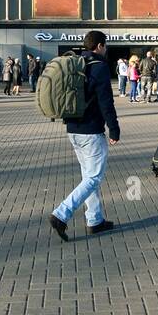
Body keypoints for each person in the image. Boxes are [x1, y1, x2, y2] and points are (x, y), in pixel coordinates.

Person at [48, 30, 120, 241]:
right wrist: (114, 129)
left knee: (89, 177)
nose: (105, 49)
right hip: (91, 131)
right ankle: (61, 214)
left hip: (73, 128)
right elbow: (106, 102)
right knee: (93, 177)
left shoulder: (75, 63)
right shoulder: (99, 67)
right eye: (105, 45)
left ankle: (95, 220)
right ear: (99, 46)